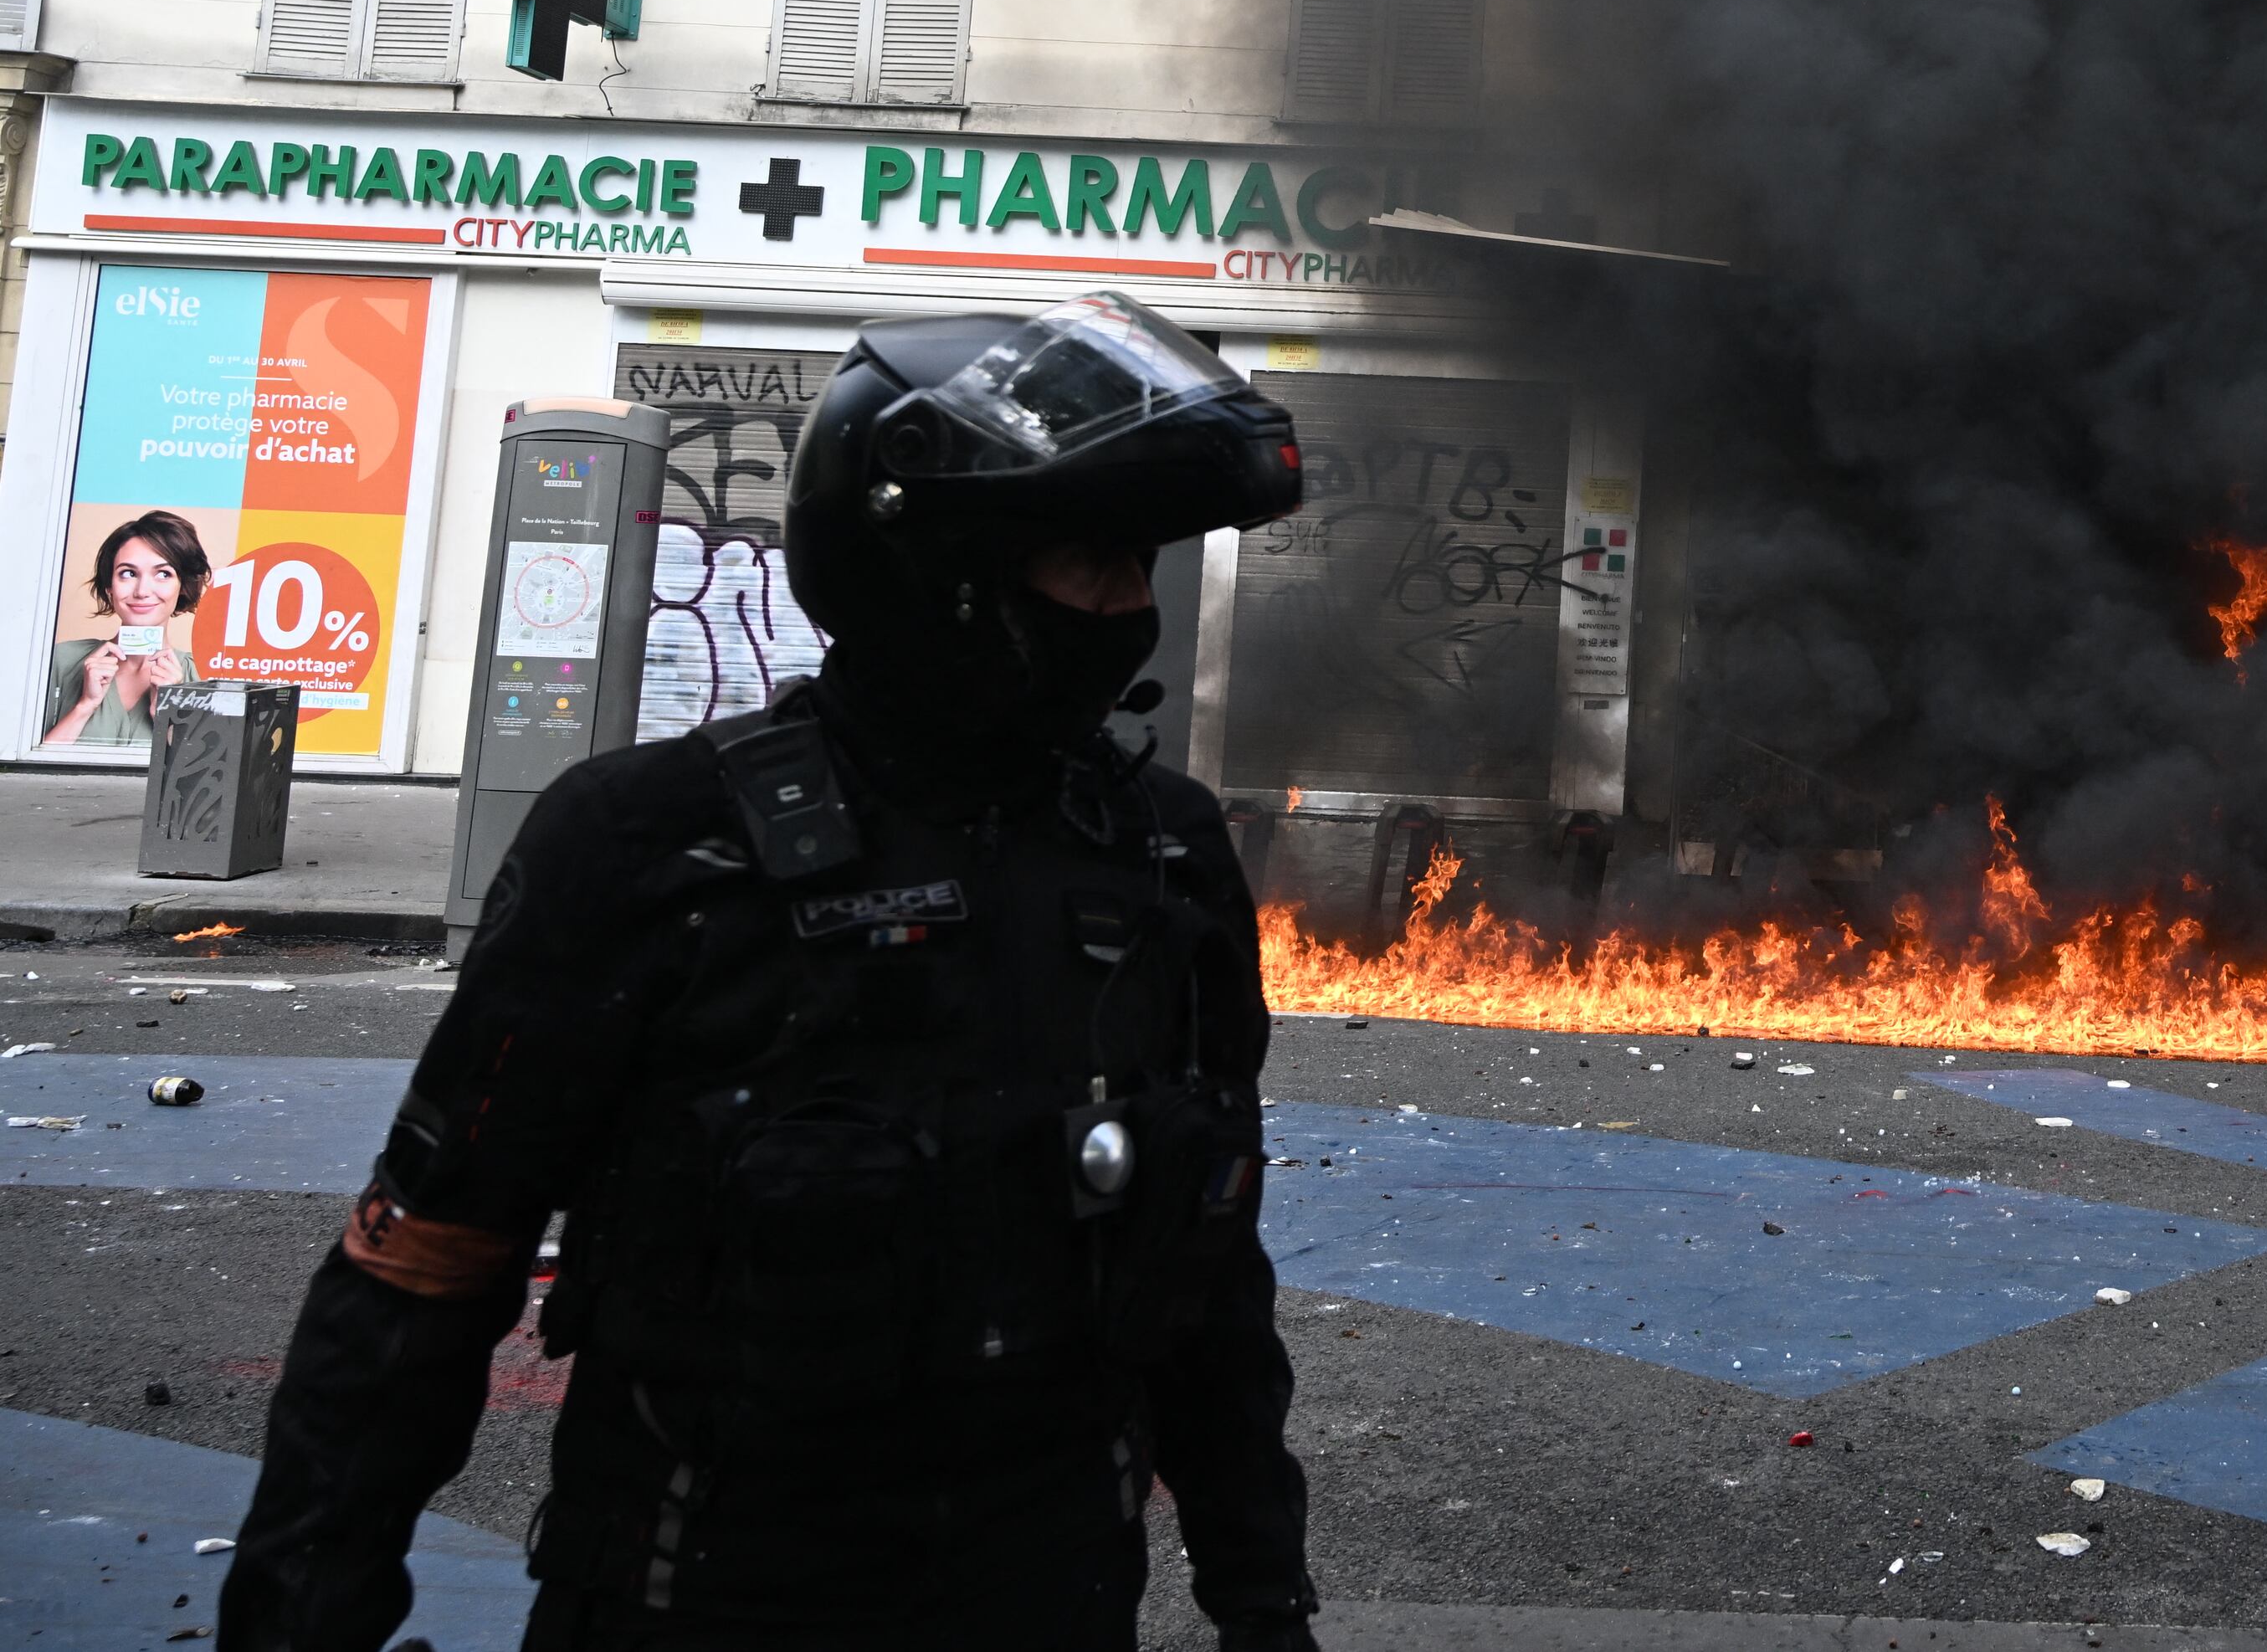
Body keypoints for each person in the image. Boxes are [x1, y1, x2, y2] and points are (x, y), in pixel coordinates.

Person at [222, 292, 1321, 1652]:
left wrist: (1263, 1600)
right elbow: (428, 1268)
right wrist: (300, 1611)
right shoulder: (652, 841)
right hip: (699, 1602)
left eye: (1140, 563)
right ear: (941, 567)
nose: (1129, 608)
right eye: (1092, 559)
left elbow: (1209, 1274)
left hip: (1053, 1600)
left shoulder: (1161, 851)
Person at [40, 509, 210, 748]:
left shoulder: (202, 678)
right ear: (109, 586)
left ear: (182, 586)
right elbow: (17, 766)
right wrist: (85, 705)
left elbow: (207, 770)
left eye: (163, 574)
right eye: (128, 573)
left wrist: (167, 717)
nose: (142, 591)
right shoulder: (60, 662)